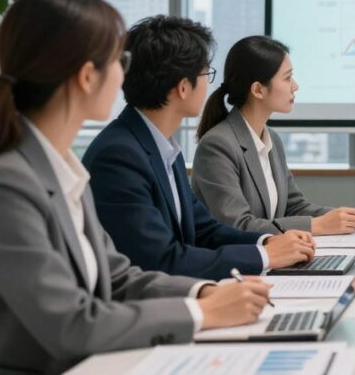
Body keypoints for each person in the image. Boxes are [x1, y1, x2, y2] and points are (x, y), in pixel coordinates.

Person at [0, 0, 271, 374]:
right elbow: (71, 325)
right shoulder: (9, 185)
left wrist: (205, 291)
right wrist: (200, 312)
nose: (126, 73)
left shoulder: (62, 166)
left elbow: (118, 276)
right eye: (119, 60)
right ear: (88, 77)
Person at [83, 16, 316, 281]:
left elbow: (205, 230)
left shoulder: (163, 148)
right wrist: (265, 257)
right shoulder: (119, 156)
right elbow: (160, 259)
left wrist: (266, 243)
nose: (209, 84)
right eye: (205, 73)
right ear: (183, 87)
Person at [192, 35, 355, 234]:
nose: (295, 85)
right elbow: (238, 225)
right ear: (258, 90)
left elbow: (293, 207)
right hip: (239, 263)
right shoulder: (218, 145)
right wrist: (318, 225)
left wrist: (344, 219)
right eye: (287, 77)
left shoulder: (271, 138)